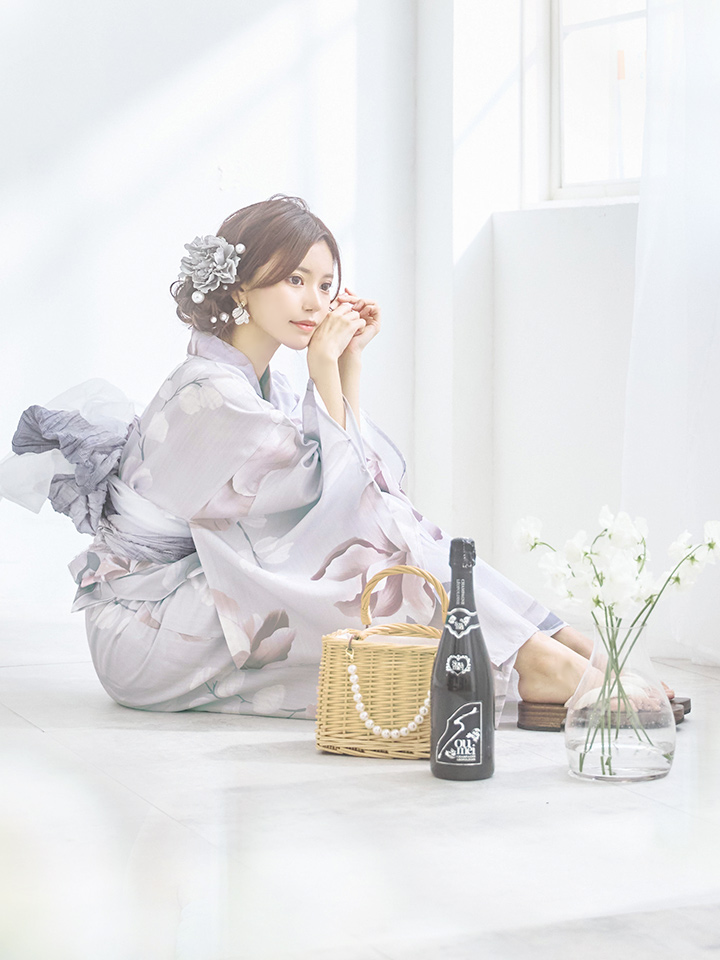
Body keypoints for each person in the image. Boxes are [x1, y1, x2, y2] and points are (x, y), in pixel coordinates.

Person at [0, 195, 619, 726]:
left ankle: (545, 643)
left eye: (325, 284)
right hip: (146, 628)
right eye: (294, 280)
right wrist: (328, 366)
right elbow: (335, 497)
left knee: (389, 533)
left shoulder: (265, 387)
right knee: (369, 553)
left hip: (193, 596)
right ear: (240, 289)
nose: (315, 302)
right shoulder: (206, 393)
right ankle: (531, 661)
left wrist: (346, 363)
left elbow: (369, 488)